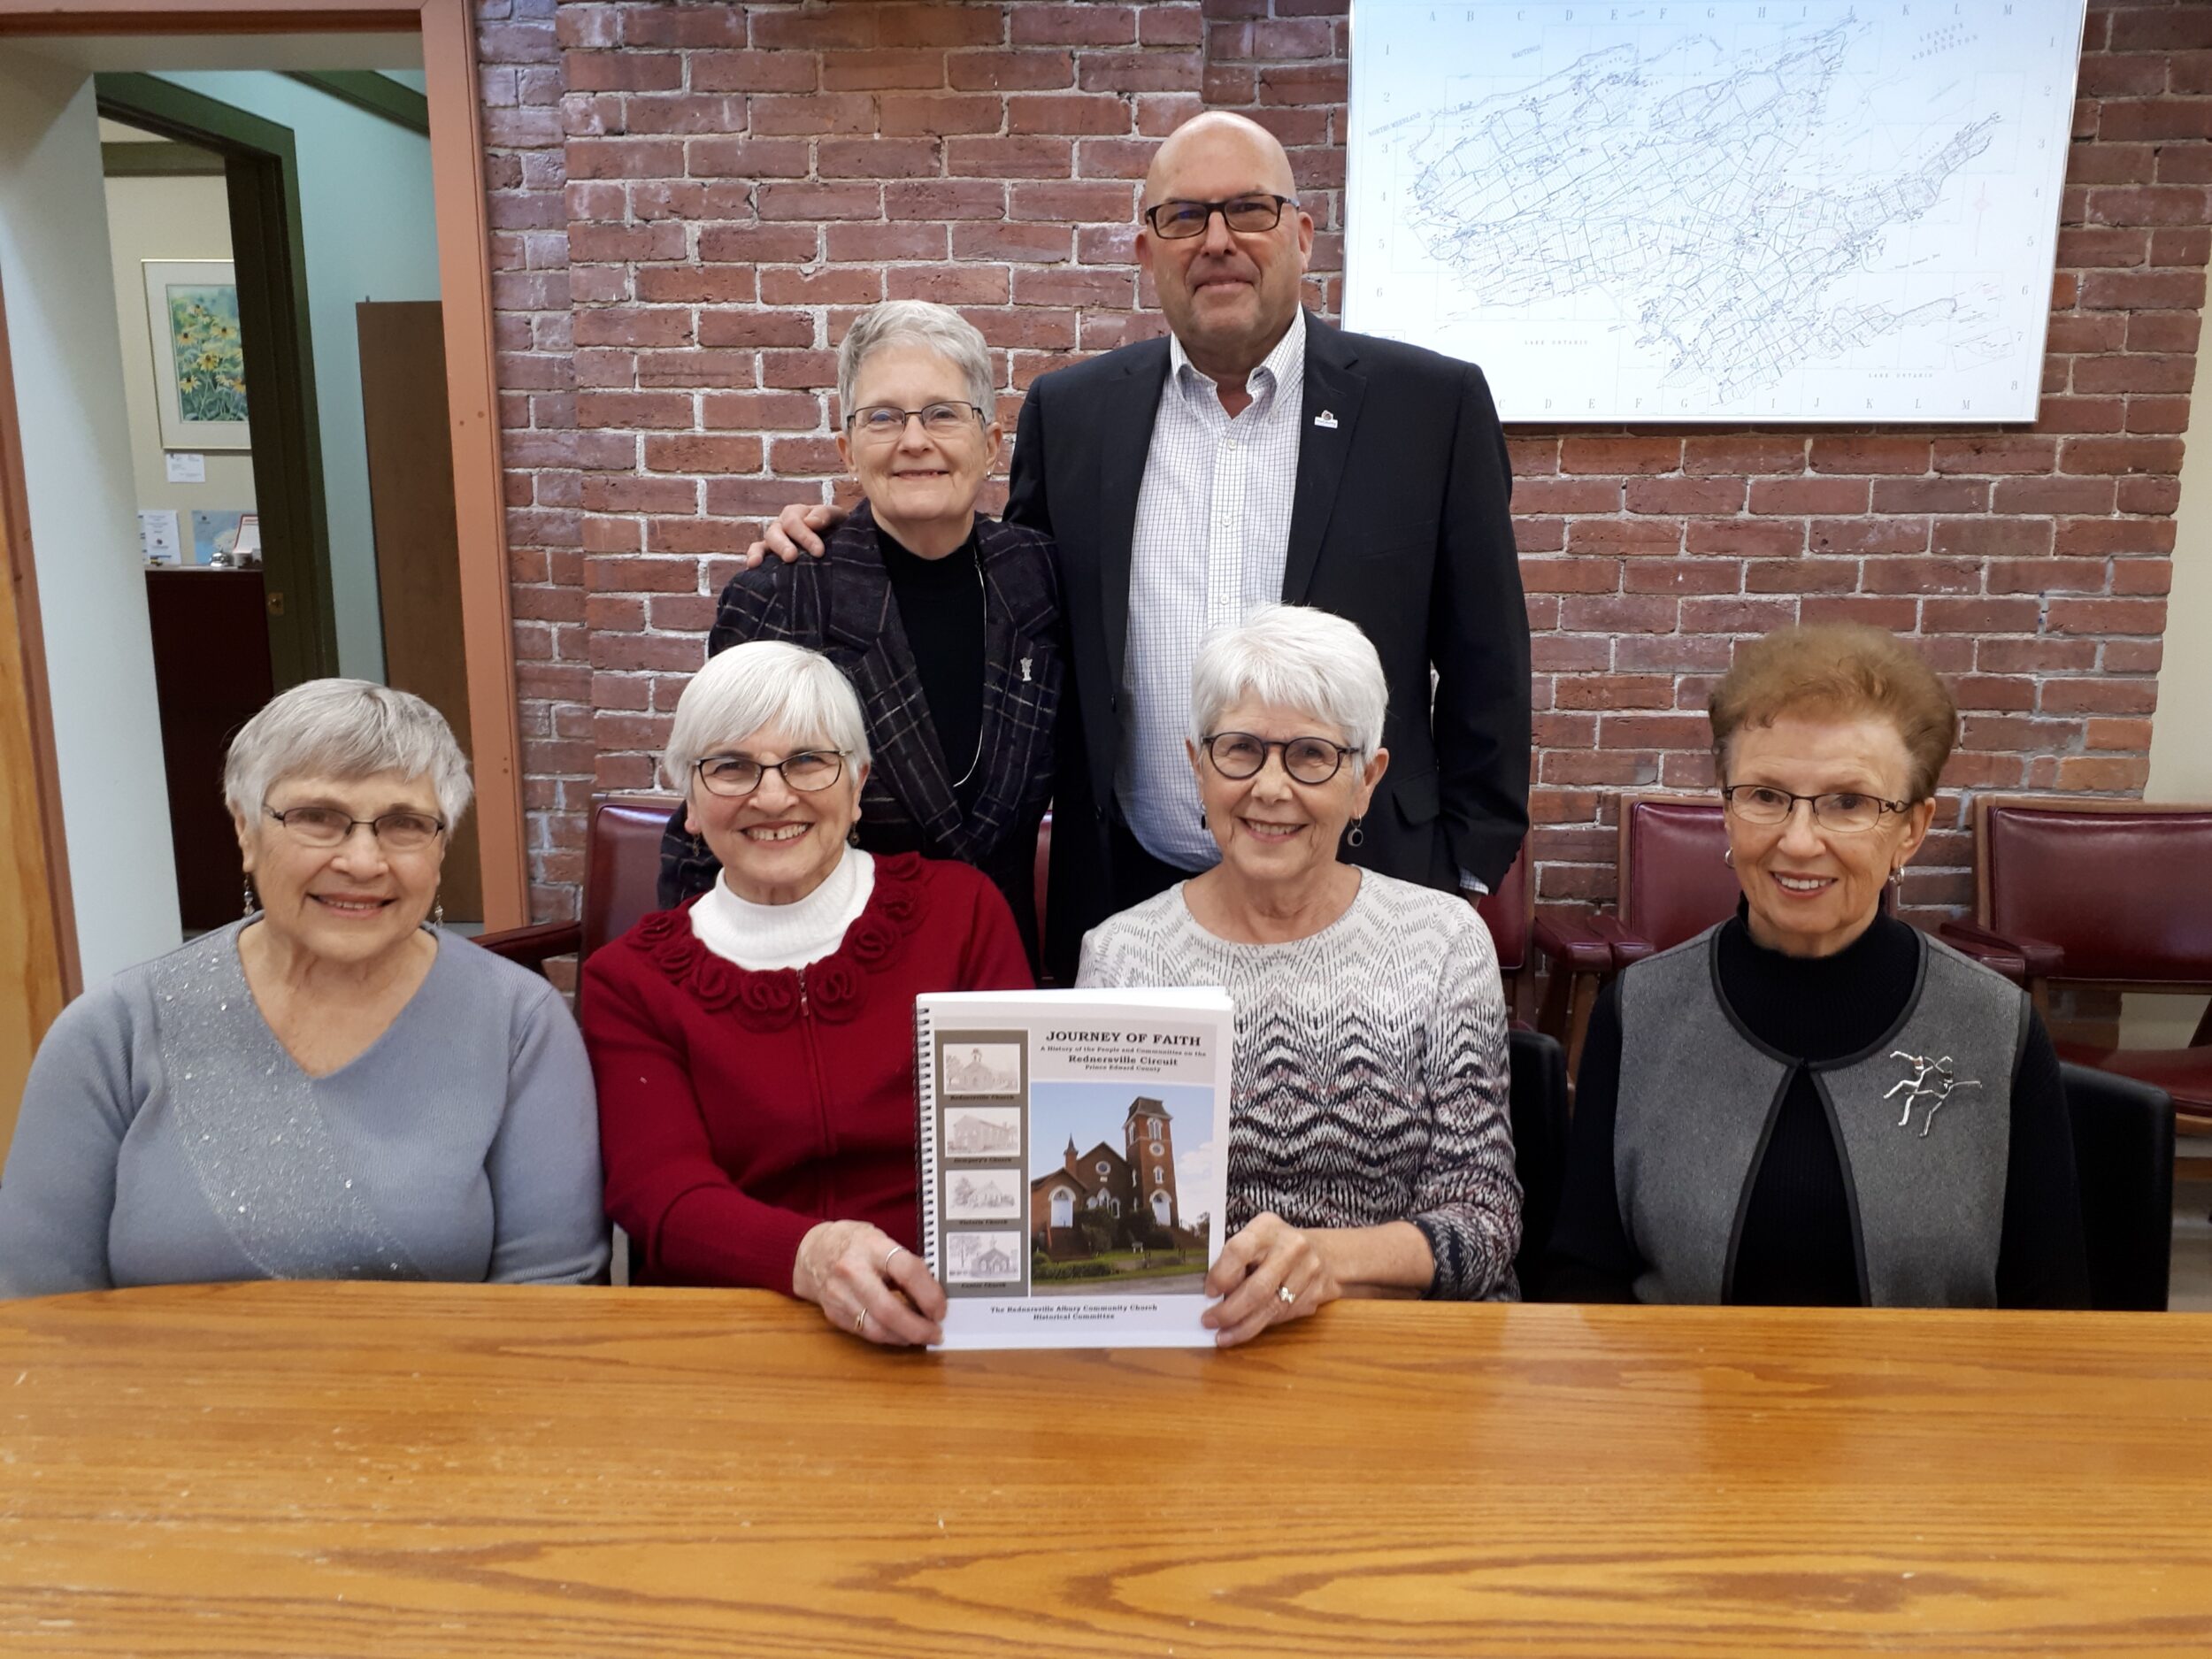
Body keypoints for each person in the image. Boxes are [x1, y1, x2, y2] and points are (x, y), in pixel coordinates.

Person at [751, 110, 1530, 981]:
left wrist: (1462, 870)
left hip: (1366, 887)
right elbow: (1005, 590)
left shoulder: (1429, 407)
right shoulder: (1075, 414)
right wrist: (844, 533)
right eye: (1184, 217)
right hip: (1127, 899)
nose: (1218, 240)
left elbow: (1486, 658)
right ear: (1146, 250)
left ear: (1303, 235)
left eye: (1250, 210)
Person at [1541, 624, 2088, 1309]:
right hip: (1683, 1404)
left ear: (1912, 830)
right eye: (1766, 795)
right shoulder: (1641, 1010)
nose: (1800, 842)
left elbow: (2051, 1309)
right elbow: (1580, 1278)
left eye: (1849, 802)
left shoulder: (1993, 1027)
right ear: (1726, 809)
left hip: (1927, 1409)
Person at [0, 680, 607, 1297]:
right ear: (245, 828)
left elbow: (551, 1290)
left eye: (404, 824)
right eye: (318, 818)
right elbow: (36, 1302)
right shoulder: (113, 1032)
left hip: (446, 1392)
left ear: (442, 845)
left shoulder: (518, 1022)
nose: (364, 861)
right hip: (157, 1393)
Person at [1076, 607, 1521, 1347]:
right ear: (1197, 763)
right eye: (1240, 749)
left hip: (1405, 1354)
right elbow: (1117, 1228)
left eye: (1311, 755)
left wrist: (1325, 1261)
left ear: (1365, 780)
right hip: (1206, 1350)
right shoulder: (1123, 956)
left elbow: (1484, 1223)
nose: (1270, 787)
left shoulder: (1442, 942)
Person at [583, 641, 1033, 1345]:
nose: (772, 795)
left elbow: (1019, 1137)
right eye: (730, 766)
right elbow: (661, 1192)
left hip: (947, 1316)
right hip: (735, 1328)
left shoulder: (963, 913)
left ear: (858, 785)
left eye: (808, 761)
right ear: (691, 802)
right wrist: (811, 1258)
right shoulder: (630, 978)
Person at [658, 301, 1062, 966]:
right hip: (829, 969)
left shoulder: (1041, 578)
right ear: (848, 452)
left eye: (942, 412)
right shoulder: (779, 597)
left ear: (990, 444)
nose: (913, 440)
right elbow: (711, 819)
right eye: (882, 417)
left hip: (996, 969)